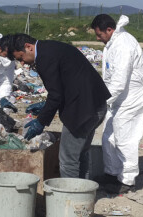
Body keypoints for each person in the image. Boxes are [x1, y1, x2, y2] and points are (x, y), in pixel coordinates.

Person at [9, 33, 111, 179]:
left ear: (28, 47)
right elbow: (63, 85)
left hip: (82, 111)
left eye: (21, 58)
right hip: (96, 105)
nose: (23, 63)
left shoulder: (44, 58)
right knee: (81, 153)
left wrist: (41, 121)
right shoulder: (50, 47)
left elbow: (56, 95)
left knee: (68, 159)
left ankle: (69, 197)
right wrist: (46, 106)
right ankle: (83, 193)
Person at [91, 14, 143, 194]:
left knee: (125, 139)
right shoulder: (113, 43)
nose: (97, 38)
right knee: (109, 137)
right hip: (118, 98)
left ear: (109, 30)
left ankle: (128, 180)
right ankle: (112, 173)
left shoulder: (123, 44)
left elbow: (119, 82)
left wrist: (98, 101)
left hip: (132, 97)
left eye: (99, 35)